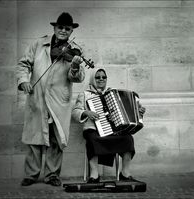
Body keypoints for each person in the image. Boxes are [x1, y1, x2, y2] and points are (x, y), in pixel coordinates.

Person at [16, 12, 85, 186]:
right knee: (34, 138)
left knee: (56, 139)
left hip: (58, 100)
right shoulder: (39, 44)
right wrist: (24, 81)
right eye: (60, 27)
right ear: (54, 27)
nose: (63, 31)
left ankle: (52, 175)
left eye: (67, 29)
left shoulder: (75, 49)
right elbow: (24, 64)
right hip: (37, 97)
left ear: (71, 31)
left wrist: (75, 66)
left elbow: (77, 78)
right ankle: (31, 174)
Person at [72, 68, 146, 183]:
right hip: (93, 129)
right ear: (92, 79)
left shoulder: (112, 93)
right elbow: (75, 112)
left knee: (128, 139)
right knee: (93, 138)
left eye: (103, 77)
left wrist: (138, 111)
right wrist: (86, 112)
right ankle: (94, 174)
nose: (101, 79)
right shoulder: (85, 94)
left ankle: (125, 173)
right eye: (98, 77)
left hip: (112, 130)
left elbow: (123, 112)